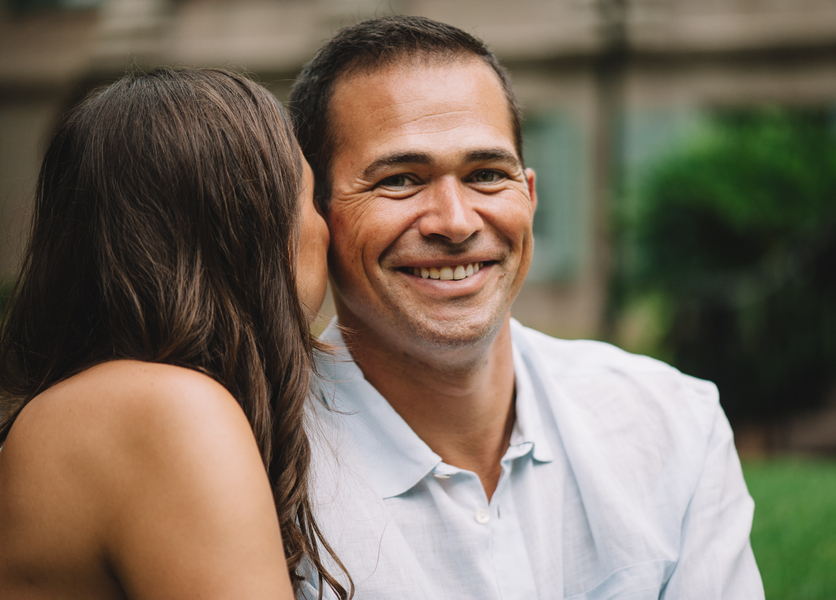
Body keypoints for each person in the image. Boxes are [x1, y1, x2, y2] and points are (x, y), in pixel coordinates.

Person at [289, 15, 765, 599]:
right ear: (315, 216)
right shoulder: (262, 466)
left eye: (487, 174)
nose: (457, 222)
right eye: (400, 180)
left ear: (530, 196)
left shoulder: (673, 426)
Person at [0, 68, 350, 600]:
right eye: (312, 201)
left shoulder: (95, 401)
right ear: (251, 231)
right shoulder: (163, 409)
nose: (331, 227)